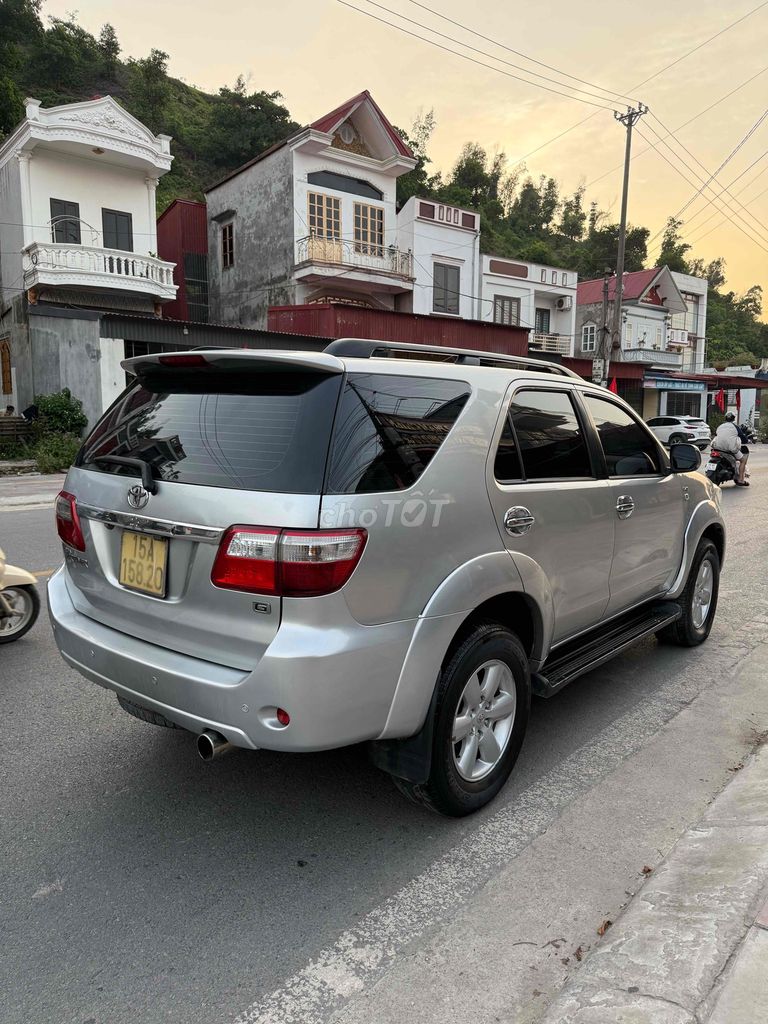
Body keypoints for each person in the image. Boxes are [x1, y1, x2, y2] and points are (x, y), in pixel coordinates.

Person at [712, 412, 749, 485]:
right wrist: (746, 440)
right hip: (729, 449)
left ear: (725, 418)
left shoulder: (720, 426)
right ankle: (741, 480)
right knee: (743, 460)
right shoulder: (735, 427)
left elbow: (718, 435)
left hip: (717, 448)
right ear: (734, 418)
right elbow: (743, 438)